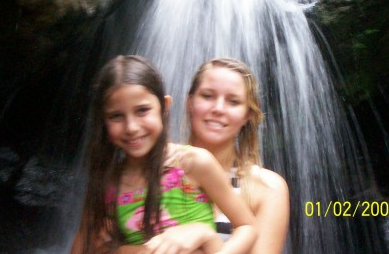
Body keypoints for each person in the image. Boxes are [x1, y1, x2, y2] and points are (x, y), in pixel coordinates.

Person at [70, 55, 257, 254]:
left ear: (164, 107)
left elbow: (248, 227)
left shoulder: (194, 163)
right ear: (103, 121)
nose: (131, 127)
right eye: (116, 116)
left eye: (142, 110)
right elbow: (87, 247)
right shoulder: (109, 183)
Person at [185, 57, 290, 254]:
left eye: (233, 101)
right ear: (190, 102)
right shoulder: (154, 172)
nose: (218, 108)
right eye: (207, 96)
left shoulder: (266, 188)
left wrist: (204, 236)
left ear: (247, 115)